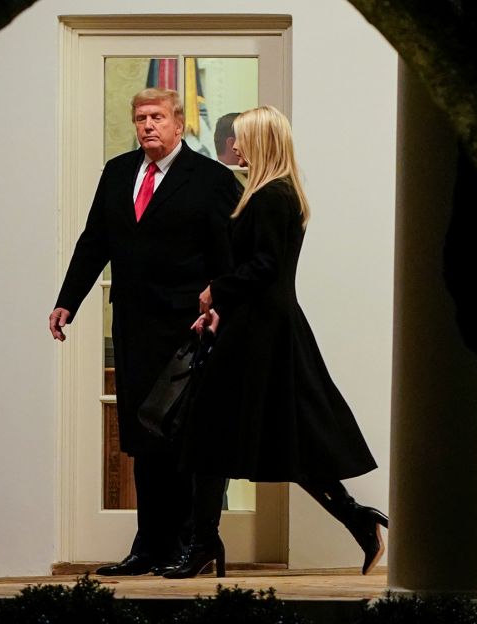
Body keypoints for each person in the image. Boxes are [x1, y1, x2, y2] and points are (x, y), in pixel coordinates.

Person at [162, 105, 387, 579]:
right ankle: (357, 520)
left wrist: (214, 294)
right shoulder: (278, 193)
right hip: (262, 326)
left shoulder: (269, 197)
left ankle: (204, 544)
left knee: (212, 433)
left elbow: (264, 267)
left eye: (242, 138)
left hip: (259, 333)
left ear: (261, 142)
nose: (234, 146)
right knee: (282, 436)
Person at [49, 88, 241, 576]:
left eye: (157, 117)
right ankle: (148, 546)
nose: (147, 125)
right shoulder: (117, 172)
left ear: (180, 124)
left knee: (181, 437)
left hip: (188, 327)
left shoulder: (211, 179)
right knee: (141, 436)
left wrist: (220, 305)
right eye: (140, 118)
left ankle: (188, 544)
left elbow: (228, 253)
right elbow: (95, 242)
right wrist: (67, 300)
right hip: (133, 324)